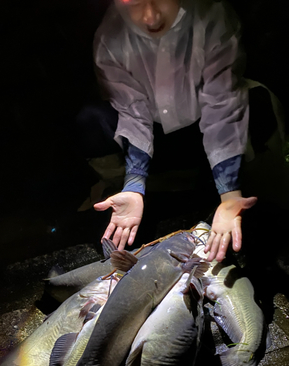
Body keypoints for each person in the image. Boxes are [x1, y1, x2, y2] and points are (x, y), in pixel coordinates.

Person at [75, 0, 272, 262]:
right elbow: (133, 113)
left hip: (201, 131)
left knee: (259, 101)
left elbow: (221, 105)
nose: (151, 17)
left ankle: (236, 184)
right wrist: (134, 183)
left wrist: (229, 194)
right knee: (90, 119)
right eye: (134, 3)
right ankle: (136, 190)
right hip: (154, 138)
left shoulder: (212, 16)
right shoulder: (110, 37)